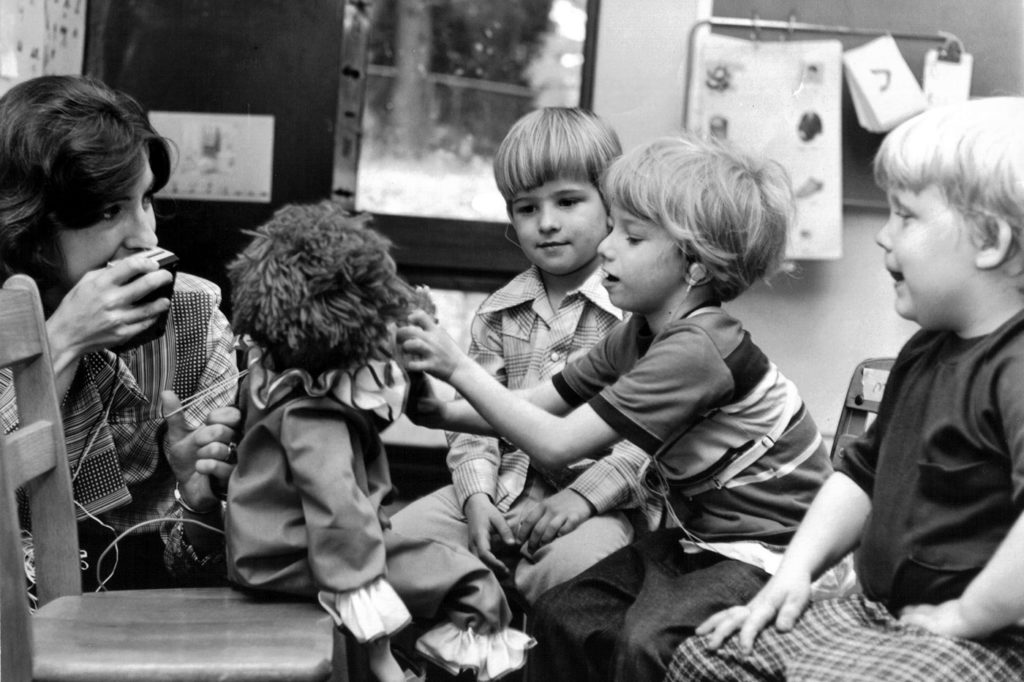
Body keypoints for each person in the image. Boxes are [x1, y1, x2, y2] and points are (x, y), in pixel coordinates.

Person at [398, 133, 835, 681]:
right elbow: (535, 405)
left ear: (693, 265)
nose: (606, 247)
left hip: (768, 548)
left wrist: (457, 367)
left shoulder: (698, 349)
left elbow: (557, 443)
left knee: (647, 643)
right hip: (702, 536)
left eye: (630, 236)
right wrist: (434, 401)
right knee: (562, 615)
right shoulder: (640, 333)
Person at [667, 98, 1024, 682]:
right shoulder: (925, 350)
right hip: (877, 612)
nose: (883, 236)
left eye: (905, 216)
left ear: (990, 240)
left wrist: (969, 614)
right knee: (708, 658)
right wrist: (793, 575)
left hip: (988, 637)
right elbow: (860, 476)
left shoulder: (1016, 367)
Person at [224, 201, 533, 682]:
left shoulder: (283, 379)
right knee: (471, 581)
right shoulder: (314, 417)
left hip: (290, 547)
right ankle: (430, 662)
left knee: (442, 568)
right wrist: (379, 654)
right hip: (292, 555)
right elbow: (341, 522)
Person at [390, 107, 654, 606]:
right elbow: (472, 425)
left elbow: (644, 441)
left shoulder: (635, 314)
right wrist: (475, 498)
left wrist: (581, 498)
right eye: (526, 208)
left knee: (576, 578)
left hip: (598, 504)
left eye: (568, 201)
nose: (546, 224)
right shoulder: (498, 312)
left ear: (611, 203)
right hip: (500, 490)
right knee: (385, 551)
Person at [0, 74, 240, 591]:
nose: (146, 237)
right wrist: (60, 344)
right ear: (32, 224)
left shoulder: (193, 319)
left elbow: (206, 571)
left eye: (146, 200)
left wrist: (198, 502)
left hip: (141, 601)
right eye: (111, 211)